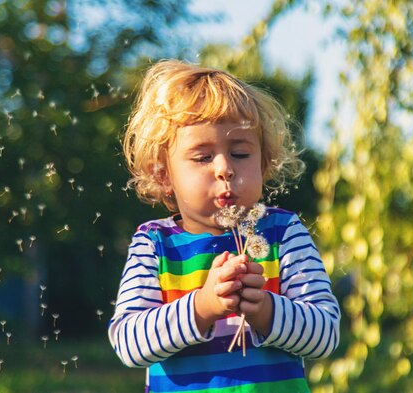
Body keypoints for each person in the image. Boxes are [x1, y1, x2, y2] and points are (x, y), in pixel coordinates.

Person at [108, 59, 340, 393]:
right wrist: (203, 306)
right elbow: (129, 344)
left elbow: (325, 336)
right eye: (203, 157)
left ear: (264, 162)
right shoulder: (155, 243)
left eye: (240, 154)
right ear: (164, 174)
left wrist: (264, 309)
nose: (224, 169)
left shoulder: (283, 233)